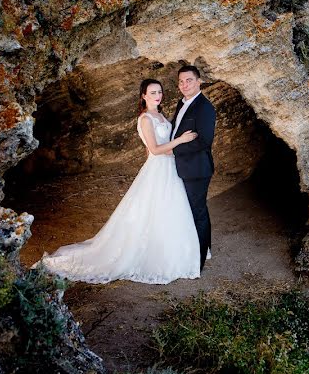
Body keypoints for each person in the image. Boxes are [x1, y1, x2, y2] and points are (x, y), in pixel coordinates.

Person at [35, 79, 202, 284]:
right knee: (152, 212)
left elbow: (155, 148)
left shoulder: (160, 115)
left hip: (168, 168)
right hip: (159, 165)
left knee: (169, 210)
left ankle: (176, 252)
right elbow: (154, 150)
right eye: (152, 92)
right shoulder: (145, 119)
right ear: (143, 96)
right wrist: (181, 141)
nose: (157, 95)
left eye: (159, 92)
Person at [171, 64, 217, 270]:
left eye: (189, 80)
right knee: (186, 211)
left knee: (197, 212)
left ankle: (198, 260)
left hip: (197, 169)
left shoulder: (205, 107)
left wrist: (174, 149)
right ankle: (192, 250)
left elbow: (204, 140)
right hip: (183, 167)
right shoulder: (182, 104)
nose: (184, 84)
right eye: (181, 81)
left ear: (199, 81)